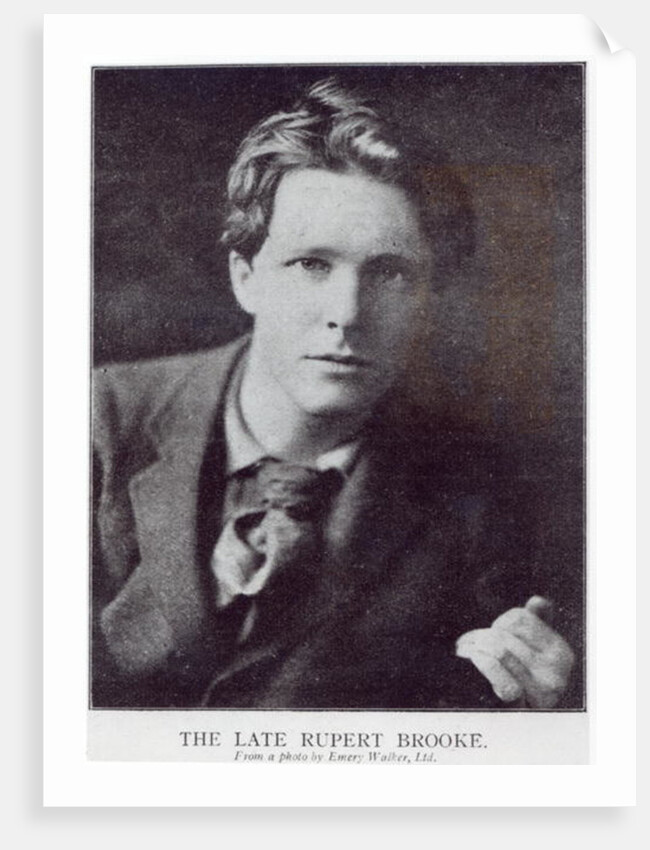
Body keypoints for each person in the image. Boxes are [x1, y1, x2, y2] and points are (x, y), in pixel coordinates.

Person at [92, 78, 577, 710]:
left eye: (391, 273)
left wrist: (552, 714)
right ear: (245, 278)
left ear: (429, 297)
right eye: (311, 264)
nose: (347, 313)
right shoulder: (93, 423)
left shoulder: (491, 493)